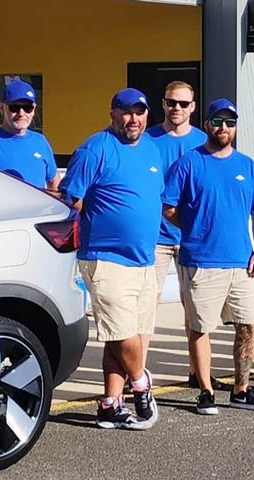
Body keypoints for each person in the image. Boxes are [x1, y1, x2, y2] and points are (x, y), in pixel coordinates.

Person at [61, 88, 166, 430]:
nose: (133, 119)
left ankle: (110, 404)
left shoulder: (151, 148)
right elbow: (70, 201)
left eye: (139, 112)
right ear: (113, 114)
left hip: (144, 260)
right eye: (126, 112)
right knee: (124, 334)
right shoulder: (96, 148)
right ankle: (142, 385)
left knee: (121, 335)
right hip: (105, 258)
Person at [163, 98, 254, 413]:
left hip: (242, 261)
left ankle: (241, 390)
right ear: (207, 123)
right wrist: (193, 226)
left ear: (236, 126)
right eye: (217, 121)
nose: (223, 127)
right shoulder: (188, 163)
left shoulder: (246, 165)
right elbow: (169, 207)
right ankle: (206, 392)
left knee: (247, 325)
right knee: (200, 327)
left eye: (229, 122)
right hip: (201, 261)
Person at [146, 81, 207, 387]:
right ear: (163, 104)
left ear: (193, 107)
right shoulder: (148, 140)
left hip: (191, 239)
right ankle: (137, 376)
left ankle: (198, 373)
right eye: (172, 103)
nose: (177, 109)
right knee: (146, 307)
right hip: (155, 238)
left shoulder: (204, 142)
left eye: (183, 104)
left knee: (195, 308)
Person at [0, 80, 59, 193]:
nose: (21, 113)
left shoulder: (40, 142)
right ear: (2, 108)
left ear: (34, 110)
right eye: (14, 107)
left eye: (27, 108)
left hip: (37, 210)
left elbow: (54, 180)